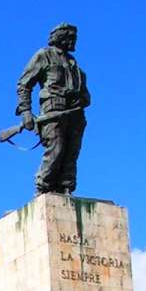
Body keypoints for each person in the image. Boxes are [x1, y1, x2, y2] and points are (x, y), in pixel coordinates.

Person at [15, 23, 91, 195]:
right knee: (55, 149)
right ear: (61, 38)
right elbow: (24, 84)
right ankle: (44, 187)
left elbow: (84, 90)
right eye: (71, 38)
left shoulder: (73, 63)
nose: (74, 42)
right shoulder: (44, 55)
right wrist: (26, 111)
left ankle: (66, 187)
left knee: (71, 152)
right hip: (53, 112)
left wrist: (84, 97)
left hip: (75, 113)